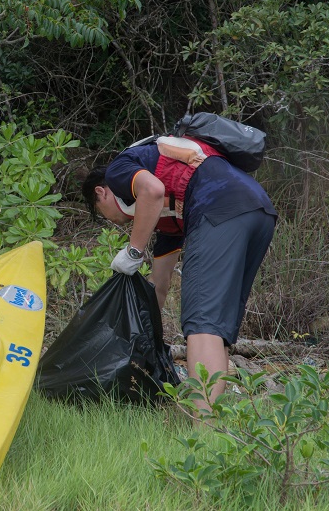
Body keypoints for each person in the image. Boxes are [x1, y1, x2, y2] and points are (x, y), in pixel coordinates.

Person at [82, 135, 276, 408]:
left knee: (202, 324)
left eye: (103, 214)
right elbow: (159, 287)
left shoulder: (118, 171)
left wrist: (133, 252)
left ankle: (204, 426)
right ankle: (212, 421)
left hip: (218, 206)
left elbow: (152, 190)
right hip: (259, 210)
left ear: (101, 193)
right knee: (217, 326)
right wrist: (134, 337)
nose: (113, 221)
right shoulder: (169, 218)